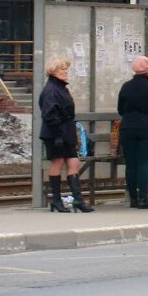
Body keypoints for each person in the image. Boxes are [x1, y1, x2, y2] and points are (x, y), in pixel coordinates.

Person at [38, 57, 93, 213]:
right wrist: (59, 133)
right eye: (62, 69)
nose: (65, 71)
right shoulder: (51, 89)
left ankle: (77, 199)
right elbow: (49, 114)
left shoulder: (61, 88)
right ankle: (56, 200)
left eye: (66, 68)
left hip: (66, 131)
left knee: (74, 163)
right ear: (53, 71)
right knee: (57, 163)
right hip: (56, 133)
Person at [117, 56, 148, 209]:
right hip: (147, 129)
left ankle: (133, 199)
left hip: (127, 129)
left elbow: (120, 110)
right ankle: (144, 199)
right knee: (144, 164)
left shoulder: (126, 87)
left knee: (131, 165)